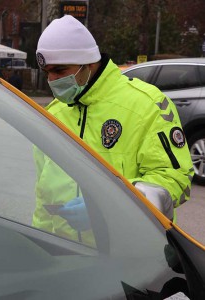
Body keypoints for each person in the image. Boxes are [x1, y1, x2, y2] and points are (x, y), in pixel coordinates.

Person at [32, 15, 193, 245]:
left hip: (130, 256)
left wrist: (106, 208)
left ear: (87, 64)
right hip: (66, 255)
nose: (52, 79)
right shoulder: (53, 114)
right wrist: (40, 242)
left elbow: (175, 179)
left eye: (59, 70)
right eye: (47, 72)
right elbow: (43, 193)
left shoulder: (147, 105)